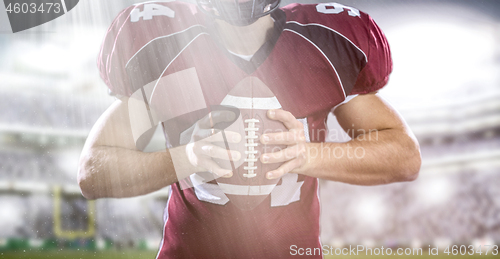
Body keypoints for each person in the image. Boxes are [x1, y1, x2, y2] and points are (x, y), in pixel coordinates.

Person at [78, 0, 421, 257]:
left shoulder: (323, 47)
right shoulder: (169, 49)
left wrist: (306, 155)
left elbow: (404, 156)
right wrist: (187, 157)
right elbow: (94, 170)